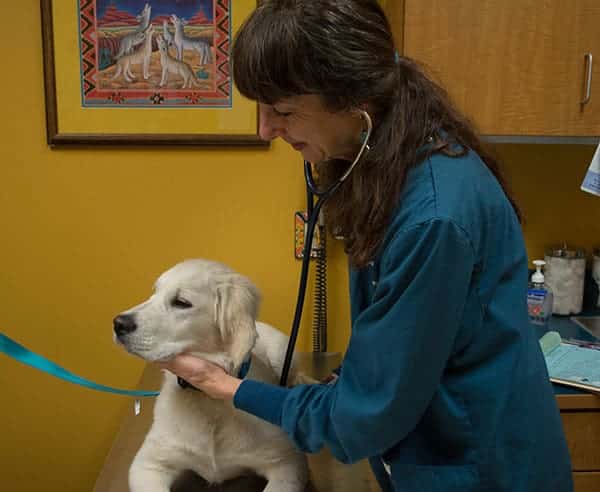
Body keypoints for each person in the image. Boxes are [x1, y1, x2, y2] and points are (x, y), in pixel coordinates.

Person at [158, 1, 573, 490]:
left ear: (355, 103)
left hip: (482, 470)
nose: (266, 129)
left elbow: (365, 415)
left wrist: (222, 385)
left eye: (283, 111)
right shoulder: (388, 164)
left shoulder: (434, 219)